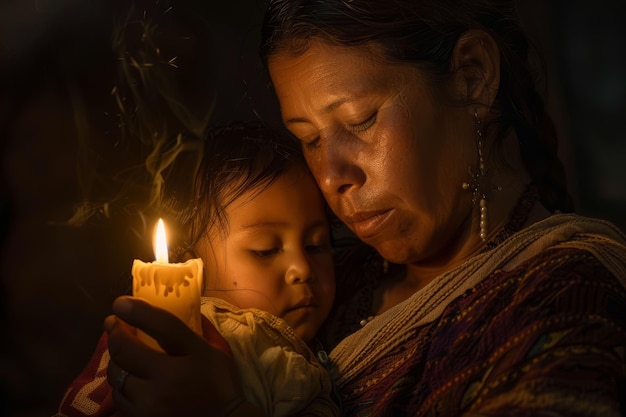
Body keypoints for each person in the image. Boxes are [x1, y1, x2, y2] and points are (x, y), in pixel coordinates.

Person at [102, 1, 626, 416]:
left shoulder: (565, 302)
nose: (331, 177)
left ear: (471, 76)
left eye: (360, 121)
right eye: (307, 139)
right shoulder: (329, 283)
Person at [53, 122, 339, 417]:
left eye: (316, 245)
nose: (302, 269)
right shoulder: (253, 349)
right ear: (190, 270)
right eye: (264, 250)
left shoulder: (128, 338)